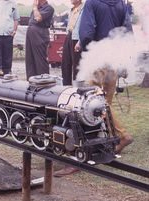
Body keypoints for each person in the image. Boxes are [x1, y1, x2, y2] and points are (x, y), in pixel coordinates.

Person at [54, 0, 133, 177]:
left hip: (98, 57)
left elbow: (87, 31)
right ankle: (103, 141)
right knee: (104, 103)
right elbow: (127, 33)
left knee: (89, 104)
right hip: (114, 59)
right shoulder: (120, 3)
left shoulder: (92, 2)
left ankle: (115, 137)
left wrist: (85, 48)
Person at [25, 0, 54, 80]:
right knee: (30, 59)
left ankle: (44, 82)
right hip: (31, 32)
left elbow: (38, 18)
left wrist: (34, 7)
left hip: (40, 34)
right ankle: (31, 81)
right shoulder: (37, 8)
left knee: (40, 60)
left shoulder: (49, 8)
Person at [61, 0, 84, 85]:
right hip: (69, 35)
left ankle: (76, 88)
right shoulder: (71, 10)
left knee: (76, 65)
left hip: (77, 38)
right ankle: (66, 87)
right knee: (65, 63)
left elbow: (84, 26)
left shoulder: (84, 9)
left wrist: (80, 40)